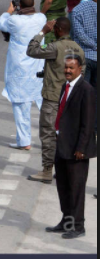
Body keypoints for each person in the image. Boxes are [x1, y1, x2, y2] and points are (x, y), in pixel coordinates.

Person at [26, 18, 85, 184]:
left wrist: (43, 32)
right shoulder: (79, 50)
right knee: (66, 136)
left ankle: (46, 170)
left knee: (48, 134)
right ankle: (64, 171)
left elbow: (32, 50)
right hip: (71, 99)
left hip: (53, 98)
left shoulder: (55, 47)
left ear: (57, 29)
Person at [46, 55, 96, 240]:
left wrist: (81, 148)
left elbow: (88, 123)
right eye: (66, 67)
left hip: (77, 150)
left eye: (71, 68)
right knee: (63, 186)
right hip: (62, 145)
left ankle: (78, 226)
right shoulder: (65, 87)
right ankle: (66, 221)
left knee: (76, 189)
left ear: (80, 69)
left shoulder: (86, 90)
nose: (67, 71)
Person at [0, 0, 47, 150]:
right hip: (38, 69)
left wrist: (9, 10)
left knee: (20, 106)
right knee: (45, 105)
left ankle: (24, 141)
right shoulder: (41, 19)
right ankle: (55, 136)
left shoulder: (14, 20)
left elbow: (1, 23)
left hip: (19, 70)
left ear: (20, 5)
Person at [71, 0, 97, 106]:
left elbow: (80, 35)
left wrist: (94, 46)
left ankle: (84, 122)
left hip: (84, 57)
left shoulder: (77, 10)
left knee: (83, 93)